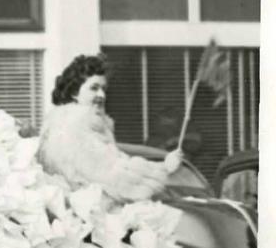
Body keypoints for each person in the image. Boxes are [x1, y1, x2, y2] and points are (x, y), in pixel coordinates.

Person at [37, 54, 182, 202]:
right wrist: (164, 168)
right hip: (86, 214)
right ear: (75, 92)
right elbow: (114, 175)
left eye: (104, 89)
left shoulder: (87, 125)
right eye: (94, 88)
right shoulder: (73, 126)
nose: (102, 95)